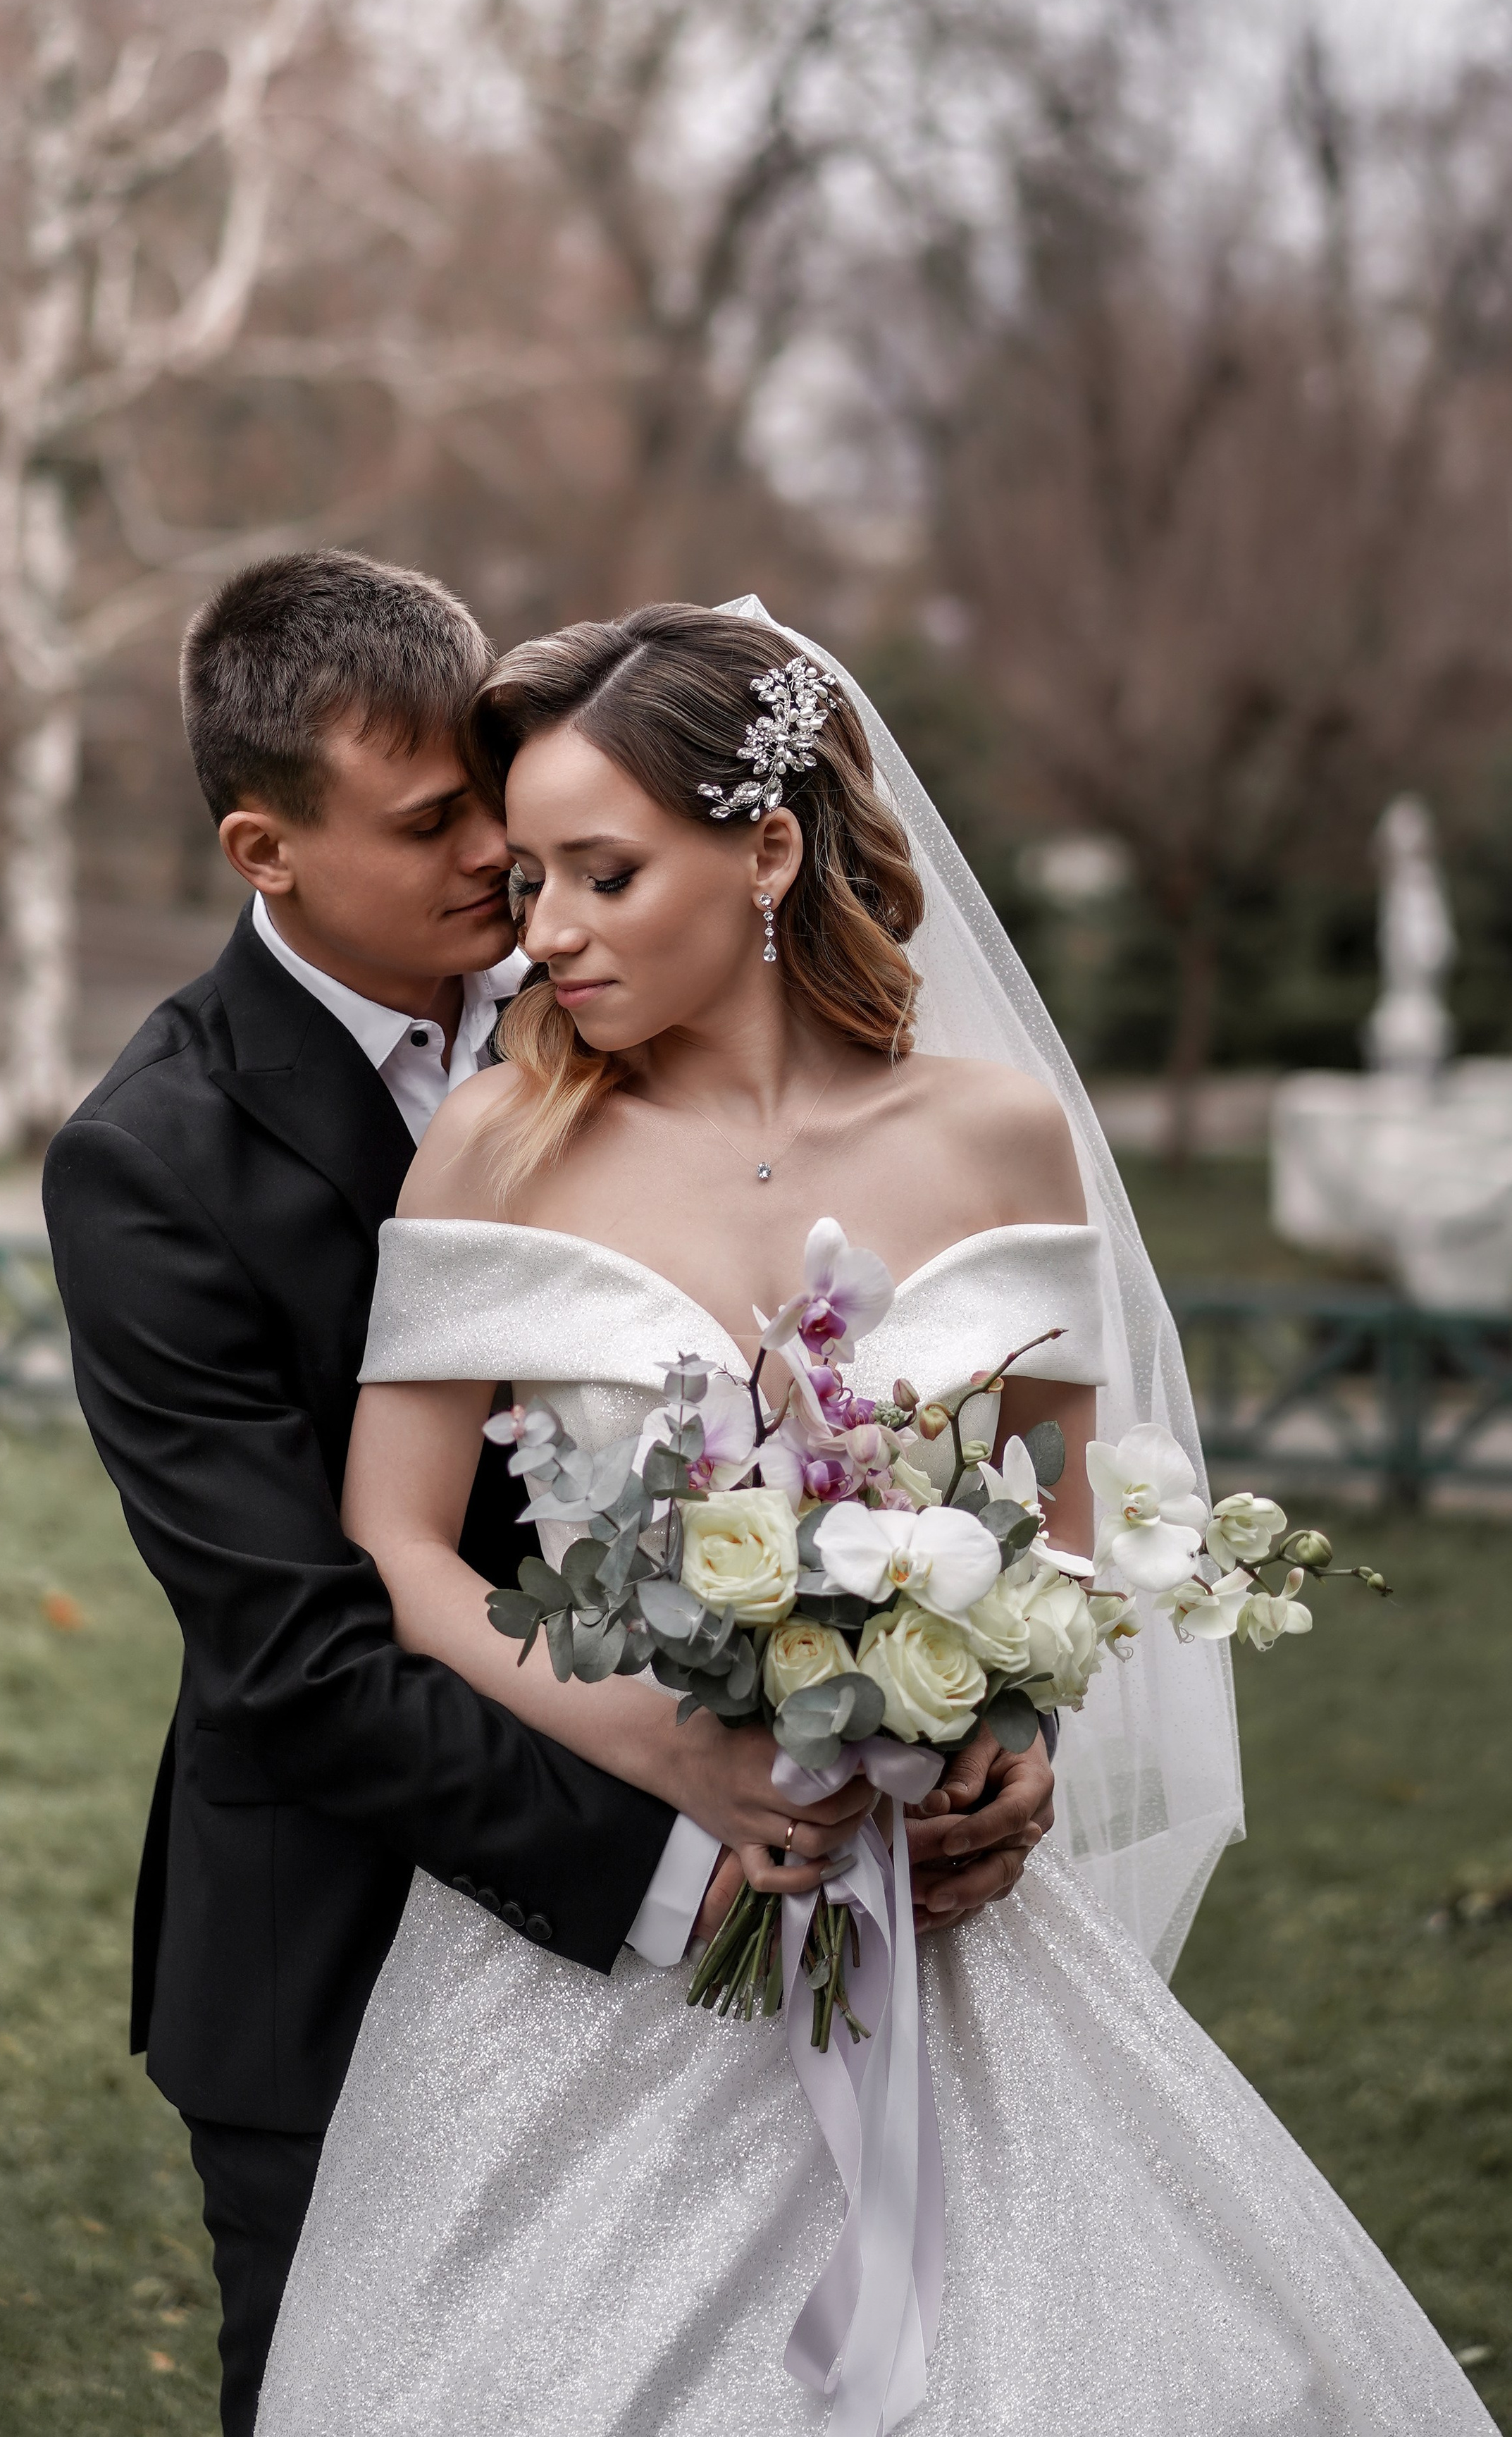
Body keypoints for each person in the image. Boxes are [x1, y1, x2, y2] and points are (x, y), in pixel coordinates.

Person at [255, 600, 1493, 2437]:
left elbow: (1061, 1497)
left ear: (766, 847)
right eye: (528, 878)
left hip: (943, 1915)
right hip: (598, 1951)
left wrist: (1014, 1722)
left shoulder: (995, 1134)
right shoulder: (495, 1143)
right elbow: (404, 1547)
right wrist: (657, 1744)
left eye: (604, 871)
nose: (547, 933)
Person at [42, 554, 1052, 2437]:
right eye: (440, 830)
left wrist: (955, 1714)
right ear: (266, 850)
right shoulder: (150, 1161)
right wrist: (699, 1820)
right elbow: (298, 1643)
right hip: (345, 1932)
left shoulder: (625, 984)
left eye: (510, 825)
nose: (508, 882)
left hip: (804, 1861)